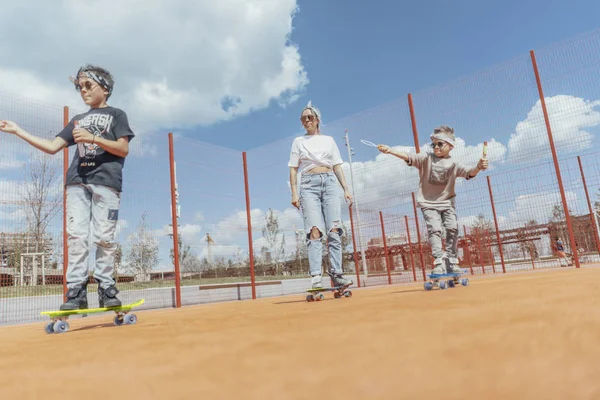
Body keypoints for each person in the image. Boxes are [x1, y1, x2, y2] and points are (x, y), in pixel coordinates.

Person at [0, 65, 135, 310]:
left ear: (105, 89)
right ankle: (76, 292)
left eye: (88, 86)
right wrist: (18, 131)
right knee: (76, 238)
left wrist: (93, 138)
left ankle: (106, 287)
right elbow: (53, 147)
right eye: (79, 87)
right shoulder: (77, 120)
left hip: (106, 182)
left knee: (104, 237)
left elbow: (123, 149)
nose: (83, 91)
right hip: (76, 182)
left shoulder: (117, 114)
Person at [377, 125, 488, 275]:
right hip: (428, 203)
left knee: (452, 227)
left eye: (440, 144)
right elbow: (408, 156)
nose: (436, 147)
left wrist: (479, 167)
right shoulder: (426, 159)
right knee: (435, 229)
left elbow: (470, 173)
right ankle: (438, 262)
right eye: (433, 144)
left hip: (447, 202)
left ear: (450, 146)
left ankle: (451, 260)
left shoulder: (454, 164)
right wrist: (390, 150)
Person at [288, 101, 354, 289]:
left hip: (330, 183)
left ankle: (337, 274)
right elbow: (293, 169)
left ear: (317, 120)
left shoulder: (329, 140)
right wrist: (294, 193)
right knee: (314, 231)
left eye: (310, 117)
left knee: (334, 231)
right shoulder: (298, 142)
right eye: (303, 118)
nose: (306, 120)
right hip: (308, 185)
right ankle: (316, 277)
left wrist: (346, 189)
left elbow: (337, 166)